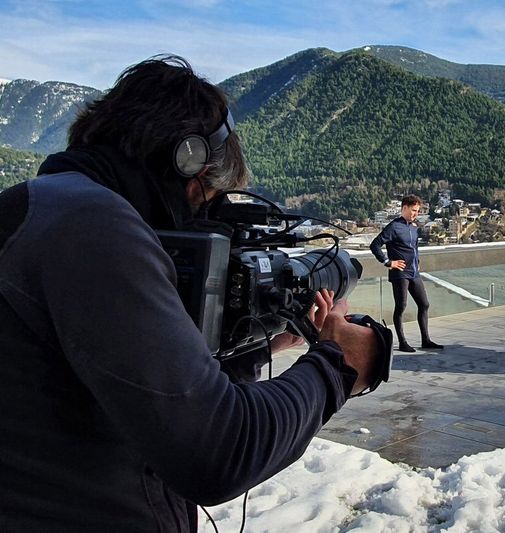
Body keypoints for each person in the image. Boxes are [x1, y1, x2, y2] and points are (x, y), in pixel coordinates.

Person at [0, 55, 381, 532]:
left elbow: (119, 395)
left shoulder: (44, 209)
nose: (206, 217)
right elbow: (217, 452)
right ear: (187, 160)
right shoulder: (92, 226)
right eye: (209, 195)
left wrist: (243, 349)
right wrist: (339, 365)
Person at [370, 194, 444, 353]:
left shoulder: (414, 227)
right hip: (400, 273)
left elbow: (414, 248)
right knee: (401, 306)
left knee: (424, 304)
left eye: (417, 211)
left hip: (414, 273)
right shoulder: (394, 226)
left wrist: (417, 261)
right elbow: (375, 245)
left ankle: (426, 340)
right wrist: (388, 262)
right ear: (404, 208)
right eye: (413, 210)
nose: (415, 214)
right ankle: (403, 342)